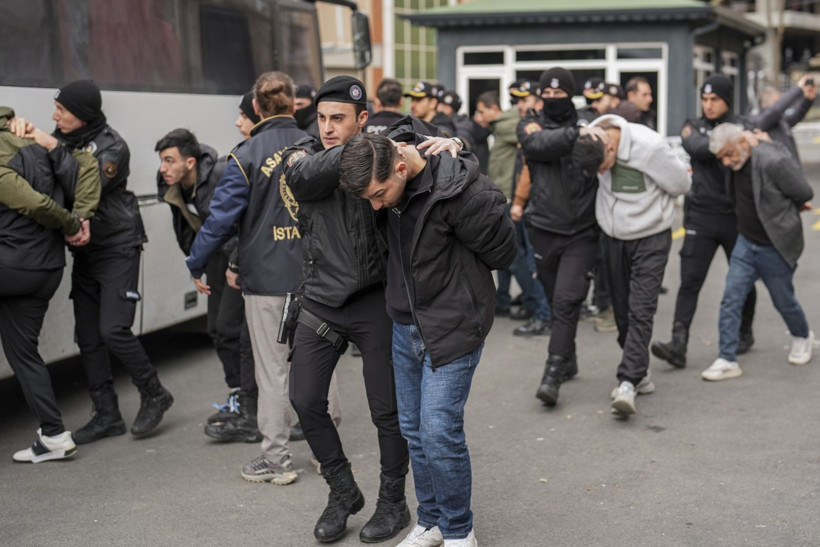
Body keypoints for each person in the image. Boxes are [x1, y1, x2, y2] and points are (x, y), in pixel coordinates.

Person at [282, 75, 461, 543]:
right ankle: (342, 491)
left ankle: (392, 502)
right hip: (320, 299)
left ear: (362, 117)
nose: (326, 127)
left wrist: (452, 140)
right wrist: (374, 144)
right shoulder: (302, 155)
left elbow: (449, 160)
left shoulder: (386, 147)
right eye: (321, 118)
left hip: (374, 302)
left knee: (389, 415)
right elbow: (301, 177)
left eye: (338, 119)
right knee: (304, 401)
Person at [338, 133, 516, 547]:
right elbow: (394, 127)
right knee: (415, 432)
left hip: (453, 325)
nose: (376, 206)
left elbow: (504, 253)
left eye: (379, 194)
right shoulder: (386, 160)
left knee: (438, 431)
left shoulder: (459, 190)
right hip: (404, 324)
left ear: (402, 166)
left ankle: (458, 531)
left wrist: (460, 148)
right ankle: (432, 521)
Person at [185, 71, 330, 483]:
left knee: (272, 372)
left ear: (257, 109)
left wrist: (197, 261)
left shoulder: (245, 156)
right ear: (293, 105)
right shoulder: (316, 147)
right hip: (318, 277)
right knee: (323, 366)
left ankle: (276, 459)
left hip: (267, 280)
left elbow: (219, 222)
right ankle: (325, 453)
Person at [14, 80, 173, 443]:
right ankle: (107, 414)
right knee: (87, 337)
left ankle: (155, 393)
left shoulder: (112, 147)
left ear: (83, 116)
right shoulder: (61, 137)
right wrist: (23, 137)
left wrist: (52, 146)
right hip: (84, 250)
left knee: (113, 330)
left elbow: (84, 186)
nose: (55, 116)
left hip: (117, 246)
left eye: (62, 111)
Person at [572, 114, 691, 417]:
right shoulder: (590, 137)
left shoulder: (649, 146)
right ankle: (640, 371)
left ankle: (627, 381)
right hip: (613, 237)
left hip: (651, 236)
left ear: (610, 148)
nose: (601, 173)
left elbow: (682, 184)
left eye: (602, 166)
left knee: (641, 308)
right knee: (623, 309)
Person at [2, 105, 99, 462]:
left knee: (23, 351)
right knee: (23, 352)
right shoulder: (33, 139)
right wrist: (79, 218)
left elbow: (33, 203)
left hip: (12, 265)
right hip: (46, 268)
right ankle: (54, 435)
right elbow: (86, 169)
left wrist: (72, 224)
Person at [155, 128, 259, 441]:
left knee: (231, 329)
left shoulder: (218, 175)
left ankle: (250, 406)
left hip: (238, 258)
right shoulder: (170, 184)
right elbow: (186, 230)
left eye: (170, 160)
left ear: (190, 162)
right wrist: (196, 265)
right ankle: (239, 396)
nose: (163, 167)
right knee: (215, 329)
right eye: (161, 160)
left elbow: (246, 221)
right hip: (215, 260)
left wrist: (236, 264)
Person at [651, 74, 757, 369]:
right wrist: (731, 141)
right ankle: (678, 344)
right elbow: (697, 147)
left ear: (727, 100)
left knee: (744, 279)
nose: (708, 105)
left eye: (715, 100)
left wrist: (738, 139)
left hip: (737, 217)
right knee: (690, 281)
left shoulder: (744, 124)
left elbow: (748, 151)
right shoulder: (693, 125)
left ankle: (744, 332)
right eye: (705, 99)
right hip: (701, 215)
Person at [701, 123, 814, 381]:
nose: (727, 162)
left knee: (783, 300)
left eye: (729, 155)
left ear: (743, 143)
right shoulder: (735, 162)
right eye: (722, 158)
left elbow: (804, 192)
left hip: (775, 244)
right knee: (731, 298)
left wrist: (794, 204)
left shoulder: (772, 160)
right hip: (746, 242)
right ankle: (727, 358)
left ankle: (802, 335)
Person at [516, 67, 600, 407]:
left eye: (558, 94)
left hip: (582, 231)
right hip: (543, 229)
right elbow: (535, 144)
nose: (552, 99)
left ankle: (552, 373)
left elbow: (595, 153)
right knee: (555, 301)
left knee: (566, 302)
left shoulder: (590, 121)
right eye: (546, 95)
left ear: (570, 94)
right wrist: (573, 135)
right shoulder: (529, 123)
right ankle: (569, 356)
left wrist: (579, 133)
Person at [477, 85, 552, 336]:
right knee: (517, 257)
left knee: (522, 259)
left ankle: (541, 311)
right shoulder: (518, 123)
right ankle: (533, 305)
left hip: (519, 200)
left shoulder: (519, 125)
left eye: (525, 100)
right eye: (517, 101)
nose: (521, 105)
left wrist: (518, 200)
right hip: (512, 197)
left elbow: (528, 169)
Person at [749, 75, 817, 164]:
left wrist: (808, 99)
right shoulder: (763, 121)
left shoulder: (780, 121)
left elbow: (797, 114)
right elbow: (777, 110)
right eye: (779, 101)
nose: (783, 104)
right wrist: (798, 89)